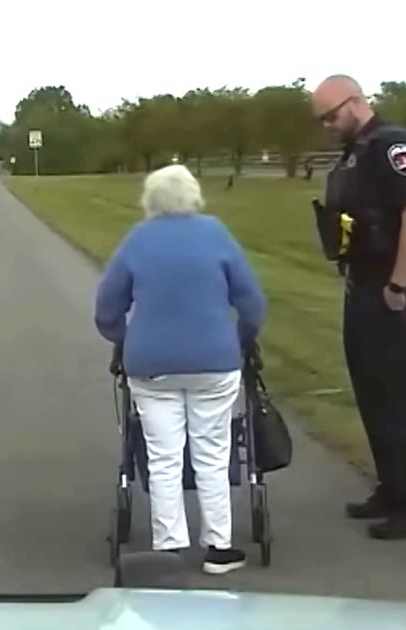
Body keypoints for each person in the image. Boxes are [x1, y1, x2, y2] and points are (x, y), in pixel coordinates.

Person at [94, 164, 266, 574]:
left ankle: (169, 544)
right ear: (194, 195)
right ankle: (219, 547)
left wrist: (125, 337)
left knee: (164, 455)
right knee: (212, 451)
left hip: (152, 365)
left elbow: (106, 310)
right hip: (214, 361)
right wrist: (240, 337)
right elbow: (252, 303)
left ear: (149, 200)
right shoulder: (216, 233)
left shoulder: (137, 240)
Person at [309, 74, 406, 539]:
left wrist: (398, 283)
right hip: (363, 285)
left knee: (403, 400)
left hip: (395, 288)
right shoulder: (355, 153)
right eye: (322, 119)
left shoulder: (395, 147)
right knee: (373, 395)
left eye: (332, 115)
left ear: (355, 101)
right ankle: (392, 489)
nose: (328, 125)